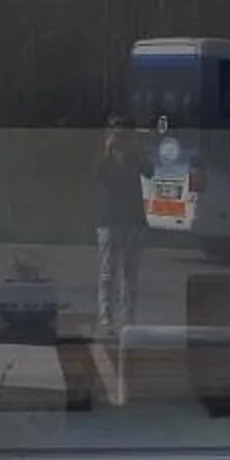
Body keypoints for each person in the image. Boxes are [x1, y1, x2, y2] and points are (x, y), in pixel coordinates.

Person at [92, 119, 146, 334]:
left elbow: (150, 170)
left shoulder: (135, 160)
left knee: (130, 274)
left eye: (125, 136)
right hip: (110, 221)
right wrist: (108, 152)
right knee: (108, 273)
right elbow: (97, 177)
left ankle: (128, 317)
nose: (121, 141)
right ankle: (106, 316)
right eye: (118, 136)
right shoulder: (105, 163)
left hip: (134, 222)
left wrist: (136, 151)